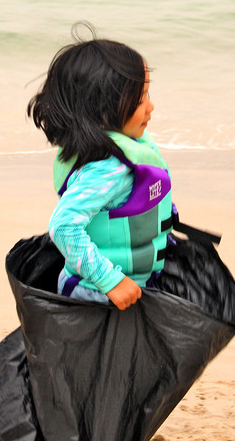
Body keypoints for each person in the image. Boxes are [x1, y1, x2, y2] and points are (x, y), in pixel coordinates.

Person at [27, 28, 173, 310]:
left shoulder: (124, 149)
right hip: (95, 295)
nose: (151, 107)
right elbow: (64, 226)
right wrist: (110, 281)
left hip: (125, 288)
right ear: (104, 109)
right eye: (141, 98)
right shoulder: (107, 168)